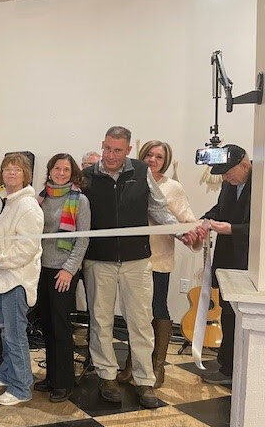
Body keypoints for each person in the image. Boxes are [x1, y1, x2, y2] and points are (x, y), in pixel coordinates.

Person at [82, 126, 189, 409]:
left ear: (128, 150)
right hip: (98, 261)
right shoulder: (89, 176)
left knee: (141, 323)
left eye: (118, 150)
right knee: (100, 321)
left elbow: (158, 209)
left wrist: (180, 231)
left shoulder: (141, 172)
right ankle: (106, 376)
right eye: (107, 148)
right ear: (101, 145)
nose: (111, 155)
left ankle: (145, 381)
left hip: (138, 261)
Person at [117, 141, 196, 388]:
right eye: (149, 155)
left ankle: (156, 365)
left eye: (159, 157)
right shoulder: (131, 181)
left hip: (158, 260)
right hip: (131, 259)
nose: (153, 160)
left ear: (166, 160)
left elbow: (187, 220)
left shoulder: (173, 188)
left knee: (157, 308)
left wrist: (194, 232)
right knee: (134, 313)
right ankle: (133, 362)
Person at [0, 153, 43, 405]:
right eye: (7, 169)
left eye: (16, 170)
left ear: (25, 174)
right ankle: (8, 373)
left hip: (17, 279)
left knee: (15, 334)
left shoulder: (28, 207)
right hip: (3, 277)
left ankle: (21, 386)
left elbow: (26, 249)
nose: (11, 173)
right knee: (6, 331)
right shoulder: (7, 200)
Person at [187, 144, 251, 385]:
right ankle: (227, 367)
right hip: (227, 259)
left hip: (249, 262)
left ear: (244, 164)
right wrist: (204, 220)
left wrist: (231, 229)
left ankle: (242, 368)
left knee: (243, 315)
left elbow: (260, 226)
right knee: (227, 312)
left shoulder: (260, 185)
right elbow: (220, 209)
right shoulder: (228, 184)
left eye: (228, 172)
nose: (225, 177)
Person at [33, 153, 90, 402]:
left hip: (63, 271)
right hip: (41, 269)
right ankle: (51, 377)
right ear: (50, 170)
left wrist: (69, 269)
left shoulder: (80, 200)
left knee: (60, 326)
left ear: (72, 172)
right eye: (57, 168)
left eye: (66, 169)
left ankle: (64, 382)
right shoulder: (40, 198)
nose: (61, 173)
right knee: (46, 324)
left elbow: (83, 238)